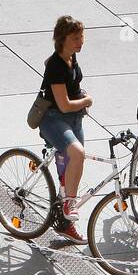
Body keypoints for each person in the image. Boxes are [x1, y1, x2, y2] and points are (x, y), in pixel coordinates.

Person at [38, 15, 92, 244]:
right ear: (62, 39)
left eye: (81, 37)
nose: (80, 42)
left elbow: (73, 88)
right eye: (75, 38)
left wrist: (80, 97)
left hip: (73, 120)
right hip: (53, 119)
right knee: (77, 154)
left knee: (72, 166)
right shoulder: (56, 65)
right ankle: (69, 204)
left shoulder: (71, 57)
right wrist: (87, 101)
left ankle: (64, 221)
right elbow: (63, 105)